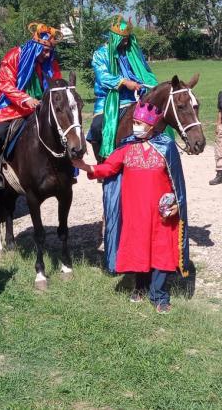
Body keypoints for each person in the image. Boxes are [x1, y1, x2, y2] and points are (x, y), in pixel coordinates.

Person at [72, 101, 189, 314]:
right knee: (139, 249)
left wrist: (177, 205)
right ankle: (141, 287)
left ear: (152, 125)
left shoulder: (166, 146)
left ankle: (159, 296)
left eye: (140, 123)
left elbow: (177, 181)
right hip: (135, 212)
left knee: (160, 252)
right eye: (135, 122)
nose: (136, 126)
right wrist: (87, 167)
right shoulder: (126, 147)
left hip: (161, 213)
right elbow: (109, 167)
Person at [0, 23, 63, 190]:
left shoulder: (50, 61)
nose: (48, 54)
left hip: (41, 107)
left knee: (64, 129)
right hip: (12, 108)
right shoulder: (14, 55)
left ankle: (66, 170)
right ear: (35, 46)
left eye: (50, 51)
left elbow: (56, 83)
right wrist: (26, 99)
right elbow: (6, 84)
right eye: (44, 50)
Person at [88, 15, 158, 162]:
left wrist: (140, 83)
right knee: (96, 127)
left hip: (132, 98)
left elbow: (139, 72)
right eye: (123, 39)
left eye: (127, 39)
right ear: (114, 38)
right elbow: (103, 77)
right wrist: (125, 82)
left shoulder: (129, 54)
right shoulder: (100, 54)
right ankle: (101, 162)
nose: (126, 42)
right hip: (107, 99)